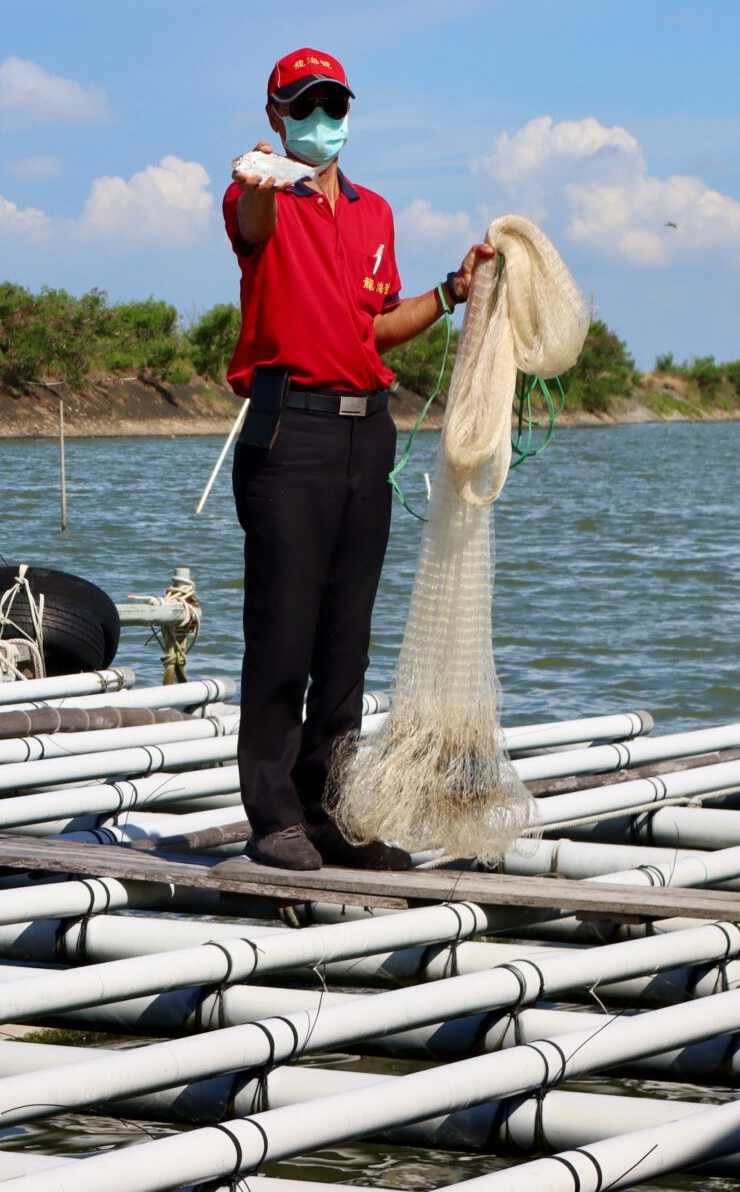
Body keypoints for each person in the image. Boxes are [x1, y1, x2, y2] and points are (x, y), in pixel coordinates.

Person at [224, 47, 495, 872]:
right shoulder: (254, 191)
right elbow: (252, 231)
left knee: (346, 641)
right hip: (289, 433)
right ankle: (274, 815)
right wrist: (267, 184)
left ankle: (334, 812)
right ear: (275, 113)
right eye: (305, 106)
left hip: (364, 432)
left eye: (334, 105)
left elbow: (375, 328)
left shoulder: (375, 212)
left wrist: (453, 289)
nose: (322, 121)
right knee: (284, 635)